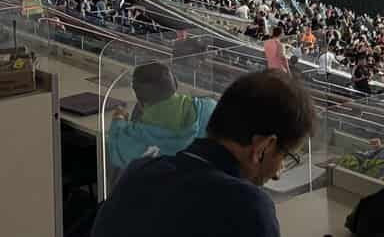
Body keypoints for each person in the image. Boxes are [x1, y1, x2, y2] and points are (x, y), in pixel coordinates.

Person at [93, 70, 315, 237]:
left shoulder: (139, 172)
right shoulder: (248, 209)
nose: (278, 173)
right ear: (263, 147)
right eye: (285, 156)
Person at [106, 62, 217, 170]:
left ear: (139, 98)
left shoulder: (139, 134)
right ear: (175, 83)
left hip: (165, 186)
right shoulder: (210, 108)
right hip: (209, 182)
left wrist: (119, 119)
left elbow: (118, 154)